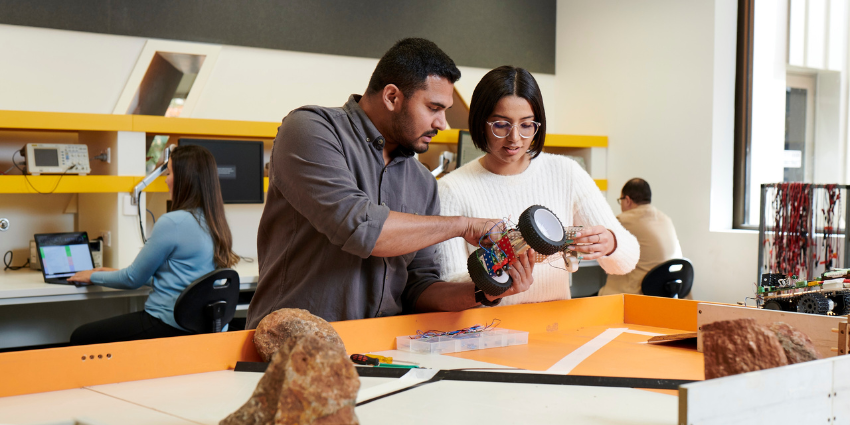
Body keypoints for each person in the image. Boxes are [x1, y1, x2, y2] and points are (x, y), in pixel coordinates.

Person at [246, 39, 536, 327]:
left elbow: (419, 289)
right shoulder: (311, 130)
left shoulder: (422, 181)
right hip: (290, 347)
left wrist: (486, 291)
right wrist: (464, 226)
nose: (442, 123)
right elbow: (361, 227)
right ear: (392, 97)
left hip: (377, 351)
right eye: (434, 108)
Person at [435, 66, 639, 305]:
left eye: (526, 125)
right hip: (488, 333)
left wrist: (610, 242)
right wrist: (496, 283)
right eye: (501, 125)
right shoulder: (451, 190)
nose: (515, 138)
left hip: (556, 328)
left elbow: (626, 261)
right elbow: (448, 282)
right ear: (481, 123)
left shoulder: (566, 172)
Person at [68, 145, 239, 344]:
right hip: (201, 328)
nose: (166, 179)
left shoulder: (173, 222)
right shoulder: (216, 221)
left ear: (185, 178)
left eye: (170, 172)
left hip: (168, 324)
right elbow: (188, 281)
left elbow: (131, 279)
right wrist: (113, 272)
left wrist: (94, 276)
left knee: (80, 337)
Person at [599, 178, 683, 296]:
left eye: (620, 200)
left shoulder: (624, 220)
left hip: (640, 292)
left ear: (627, 200)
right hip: (667, 292)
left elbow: (604, 249)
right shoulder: (665, 219)